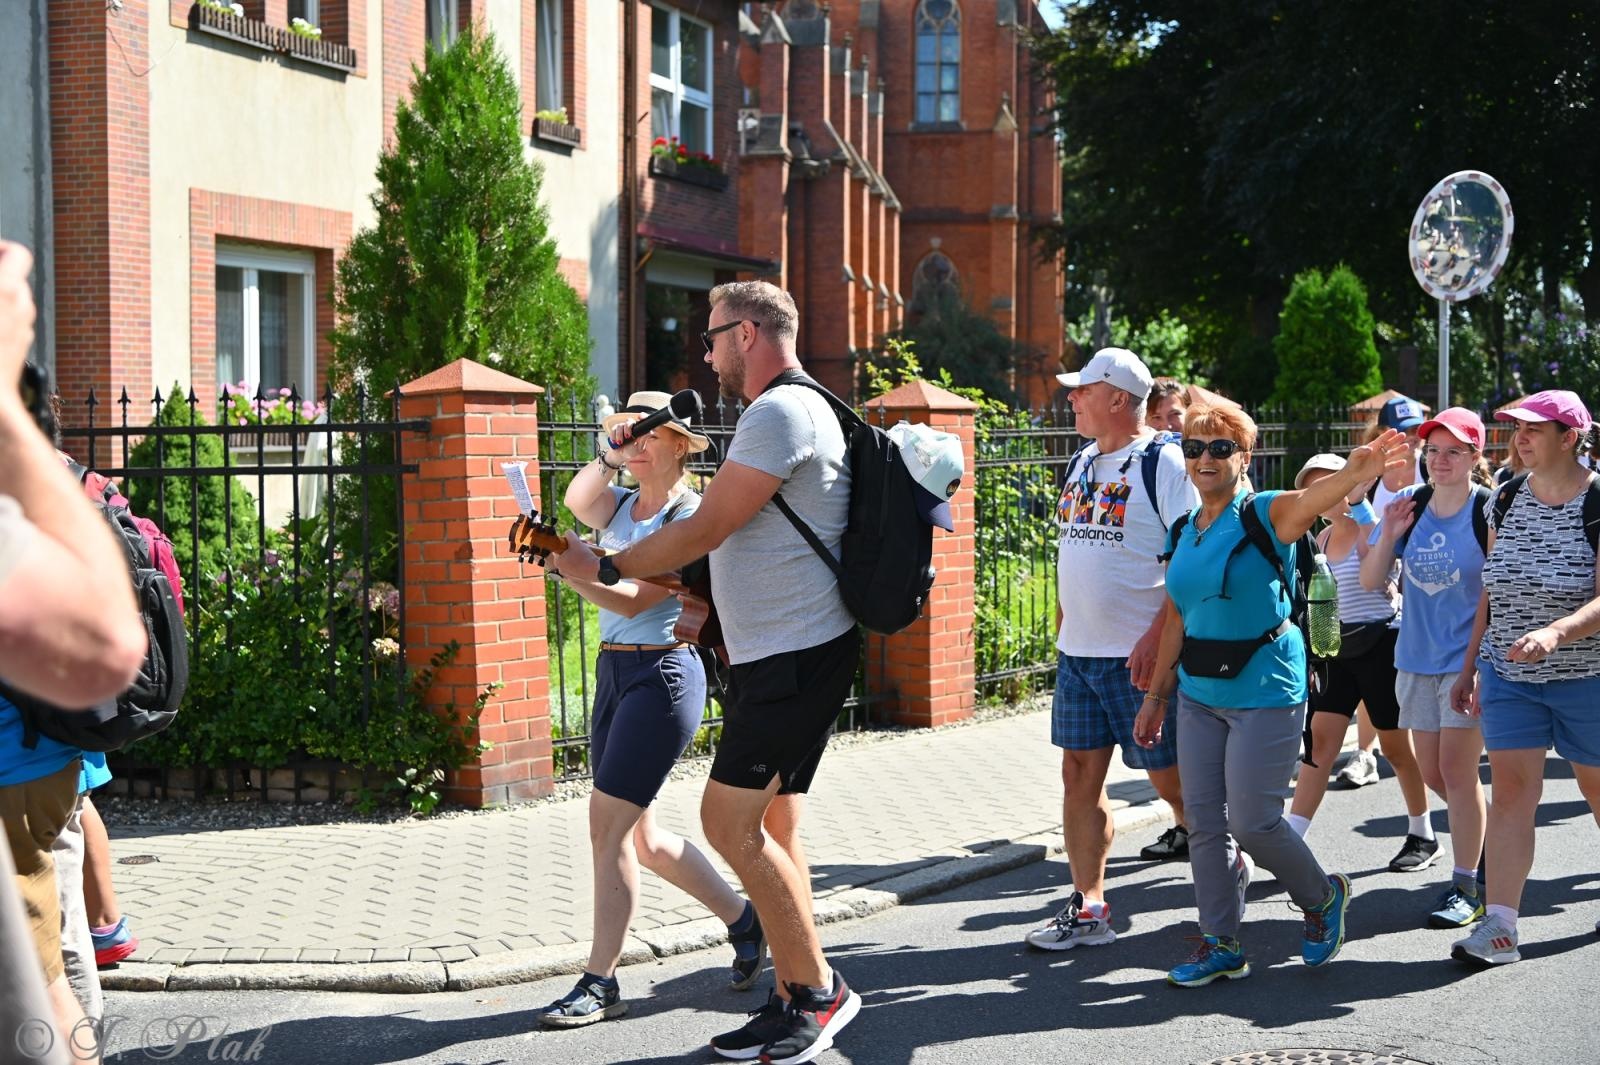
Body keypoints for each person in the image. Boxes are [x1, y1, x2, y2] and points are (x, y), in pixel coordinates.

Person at [557, 282, 864, 1064]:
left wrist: (606, 562)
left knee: (729, 824)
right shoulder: (787, 411)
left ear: (751, 333)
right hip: (777, 658)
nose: (707, 350)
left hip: (793, 656)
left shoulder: (781, 411)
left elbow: (708, 525)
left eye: (713, 335)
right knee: (767, 827)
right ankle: (795, 990)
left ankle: (817, 991)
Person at [1133, 403, 1410, 988]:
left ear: (1244, 456)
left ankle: (1322, 898)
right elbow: (1178, 619)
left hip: (1265, 687)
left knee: (1255, 822)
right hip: (1199, 692)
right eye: (1193, 447)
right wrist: (1155, 698)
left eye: (1219, 448)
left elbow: (1312, 501)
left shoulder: (1264, 513)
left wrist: (1355, 473)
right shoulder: (1185, 529)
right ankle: (1222, 942)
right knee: (1206, 823)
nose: (1203, 458)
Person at [535, 391, 765, 1027]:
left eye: (644, 435)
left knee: (605, 828)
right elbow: (579, 504)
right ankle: (746, 921)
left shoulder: (690, 515)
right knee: (645, 839)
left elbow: (636, 598)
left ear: (676, 445)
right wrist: (604, 459)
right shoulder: (622, 506)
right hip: (615, 673)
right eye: (626, 433)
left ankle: (599, 982)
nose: (632, 442)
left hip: (662, 674)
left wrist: (564, 564)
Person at [0, 241, 147, 1065]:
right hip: (31, 755)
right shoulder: (39, 480)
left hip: (36, 754)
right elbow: (104, 643)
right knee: (52, 955)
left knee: (52, 943)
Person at [1022, 348, 1195, 955]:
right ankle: (1089, 905)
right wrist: (1069, 617)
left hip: (1139, 657)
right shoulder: (1082, 460)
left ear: (1119, 398)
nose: (1070, 398)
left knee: (1172, 779)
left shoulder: (1166, 463)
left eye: (1082, 390)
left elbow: (1190, 560)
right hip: (1080, 654)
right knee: (1078, 774)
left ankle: (1220, 855)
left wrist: (1157, 636)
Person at [1449, 390, 1600, 965]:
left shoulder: (1598, 500)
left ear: (1570, 438)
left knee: (1596, 792)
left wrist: (1558, 633)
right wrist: (1469, 668)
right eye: (1518, 428)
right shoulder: (1504, 499)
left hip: (1588, 675)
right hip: (1509, 673)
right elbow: (1491, 586)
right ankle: (1501, 927)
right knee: (1512, 793)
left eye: (1536, 430)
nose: (1521, 438)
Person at [1360, 407, 1493, 930]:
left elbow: (1494, 594)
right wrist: (1388, 533)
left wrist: (1476, 665)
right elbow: (1372, 582)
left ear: (1473, 456)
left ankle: (1468, 888)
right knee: (1435, 772)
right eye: (1432, 450)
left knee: (1458, 775)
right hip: (1413, 660)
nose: (1439, 460)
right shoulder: (1409, 505)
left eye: (1453, 451)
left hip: (1466, 662)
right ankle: (1482, 841)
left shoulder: (1488, 510)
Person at [1284, 455, 1432, 873]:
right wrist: (1318, 650)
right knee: (1319, 745)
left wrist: (1361, 503)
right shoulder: (1320, 539)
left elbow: (1381, 563)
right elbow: (1323, 604)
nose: (1325, 494)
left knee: (1396, 748)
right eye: (1315, 487)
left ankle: (1422, 831)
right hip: (1337, 650)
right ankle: (1291, 840)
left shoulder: (1375, 526)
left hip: (1382, 643)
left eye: (1331, 482)